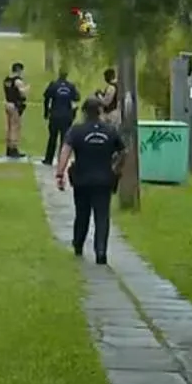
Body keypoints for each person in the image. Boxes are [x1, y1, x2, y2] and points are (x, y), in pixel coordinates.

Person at [55, 97, 125, 265]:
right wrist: (116, 168)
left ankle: (78, 244)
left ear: (84, 112)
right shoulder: (110, 130)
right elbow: (124, 151)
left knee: (82, 214)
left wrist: (60, 174)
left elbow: (65, 151)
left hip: (82, 179)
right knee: (102, 216)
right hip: (104, 180)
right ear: (100, 112)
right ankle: (101, 252)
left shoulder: (76, 130)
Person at [42, 69, 80, 165]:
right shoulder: (71, 86)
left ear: (59, 75)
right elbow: (76, 98)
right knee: (64, 138)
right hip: (66, 115)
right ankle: (61, 159)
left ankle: (48, 159)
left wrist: (46, 112)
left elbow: (46, 98)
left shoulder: (53, 85)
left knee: (52, 137)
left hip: (55, 114)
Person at [2, 61, 28, 158]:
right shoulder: (18, 81)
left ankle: (8, 148)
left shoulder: (7, 80)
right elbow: (22, 93)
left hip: (7, 103)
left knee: (9, 127)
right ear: (19, 70)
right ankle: (14, 149)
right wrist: (26, 89)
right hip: (15, 105)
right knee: (15, 127)